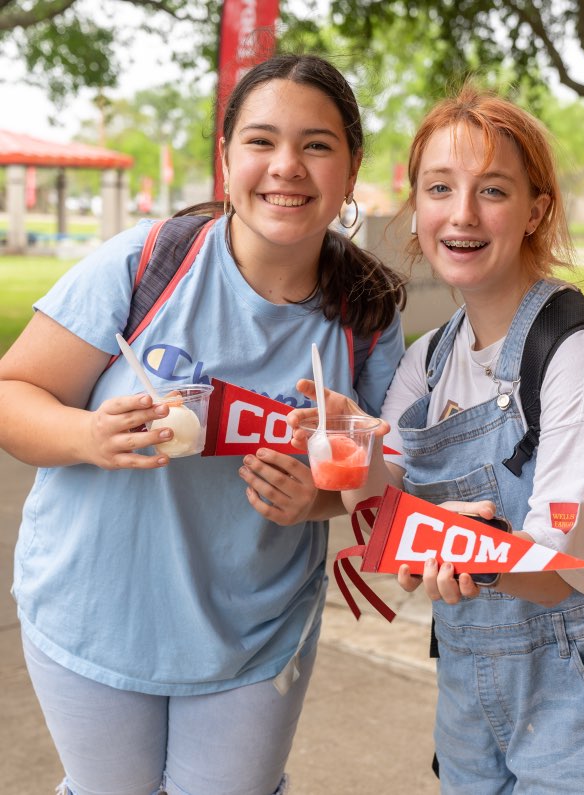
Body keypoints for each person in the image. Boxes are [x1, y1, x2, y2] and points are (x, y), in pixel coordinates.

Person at [0, 54, 405, 795]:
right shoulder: (145, 262)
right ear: (226, 161)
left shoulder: (368, 312)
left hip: (255, 628)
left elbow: (382, 478)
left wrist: (313, 497)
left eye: (316, 144)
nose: (287, 166)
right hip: (95, 609)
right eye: (260, 141)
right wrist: (88, 435)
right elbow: (13, 394)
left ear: (350, 172)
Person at [289, 83, 584, 794]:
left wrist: (463, 552)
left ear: (536, 209)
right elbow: (386, 511)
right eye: (440, 187)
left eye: (493, 190)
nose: (462, 214)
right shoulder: (430, 358)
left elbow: (564, 566)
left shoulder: (579, 354)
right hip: (471, 687)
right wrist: (349, 444)